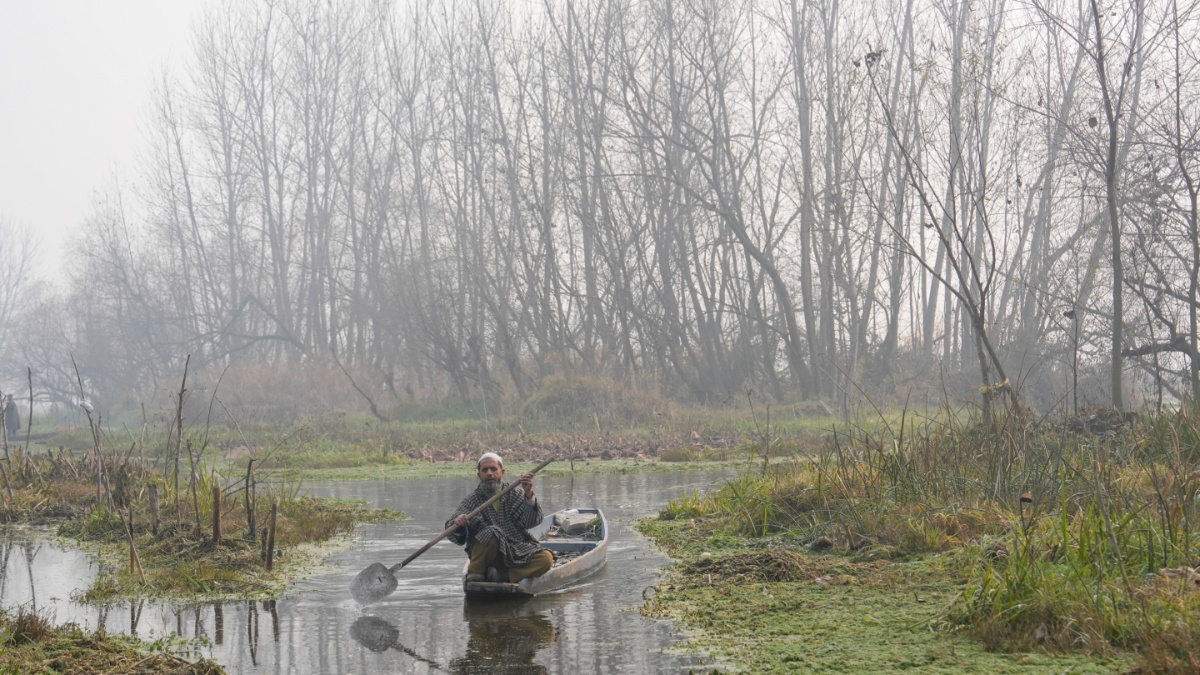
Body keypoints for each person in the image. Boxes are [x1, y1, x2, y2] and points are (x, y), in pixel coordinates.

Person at [447, 452, 553, 584]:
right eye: (485, 470)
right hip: (489, 557)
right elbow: (453, 530)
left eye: (493, 469)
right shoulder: (472, 500)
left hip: (515, 550)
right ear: (479, 475)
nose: (489, 473)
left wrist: (528, 494)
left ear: (502, 472)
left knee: (546, 559)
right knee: (492, 532)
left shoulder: (516, 494)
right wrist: (459, 523)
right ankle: (475, 573)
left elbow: (531, 522)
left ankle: (503, 576)